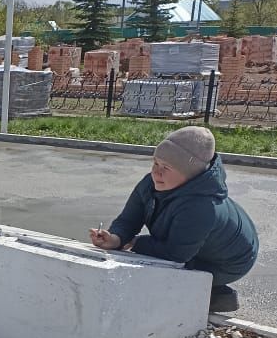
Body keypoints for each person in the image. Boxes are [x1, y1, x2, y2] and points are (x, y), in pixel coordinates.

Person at [89, 125, 258, 313]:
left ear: (190, 174)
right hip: (197, 244)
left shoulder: (201, 208)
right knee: (155, 265)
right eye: (155, 163)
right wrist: (116, 237)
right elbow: (129, 219)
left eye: (166, 168)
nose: (156, 172)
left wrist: (135, 243)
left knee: (161, 274)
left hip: (228, 261)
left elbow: (174, 254)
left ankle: (216, 296)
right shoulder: (152, 183)